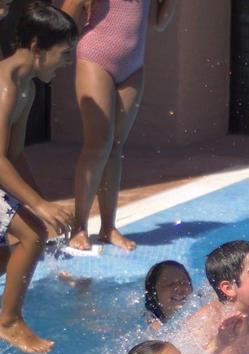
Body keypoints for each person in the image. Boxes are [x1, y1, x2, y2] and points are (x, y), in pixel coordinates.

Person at [64, 0, 178, 251]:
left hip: (133, 66)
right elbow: (64, 17)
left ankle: (108, 227)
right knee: (98, 144)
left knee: (115, 146)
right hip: (95, 56)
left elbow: (159, 23)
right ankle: (79, 226)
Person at [0, 1, 75, 354]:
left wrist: (42, 202)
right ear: (36, 48)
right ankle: (10, 321)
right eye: (64, 53)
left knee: (22, 242)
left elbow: (15, 155)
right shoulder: (5, 86)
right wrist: (38, 206)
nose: (68, 61)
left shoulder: (26, 86)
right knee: (31, 234)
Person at [144, 260, 193, 329]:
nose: (178, 288)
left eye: (183, 282)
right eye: (169, 284)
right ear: (153, 292)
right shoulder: (148, 327)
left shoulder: (204, 309)